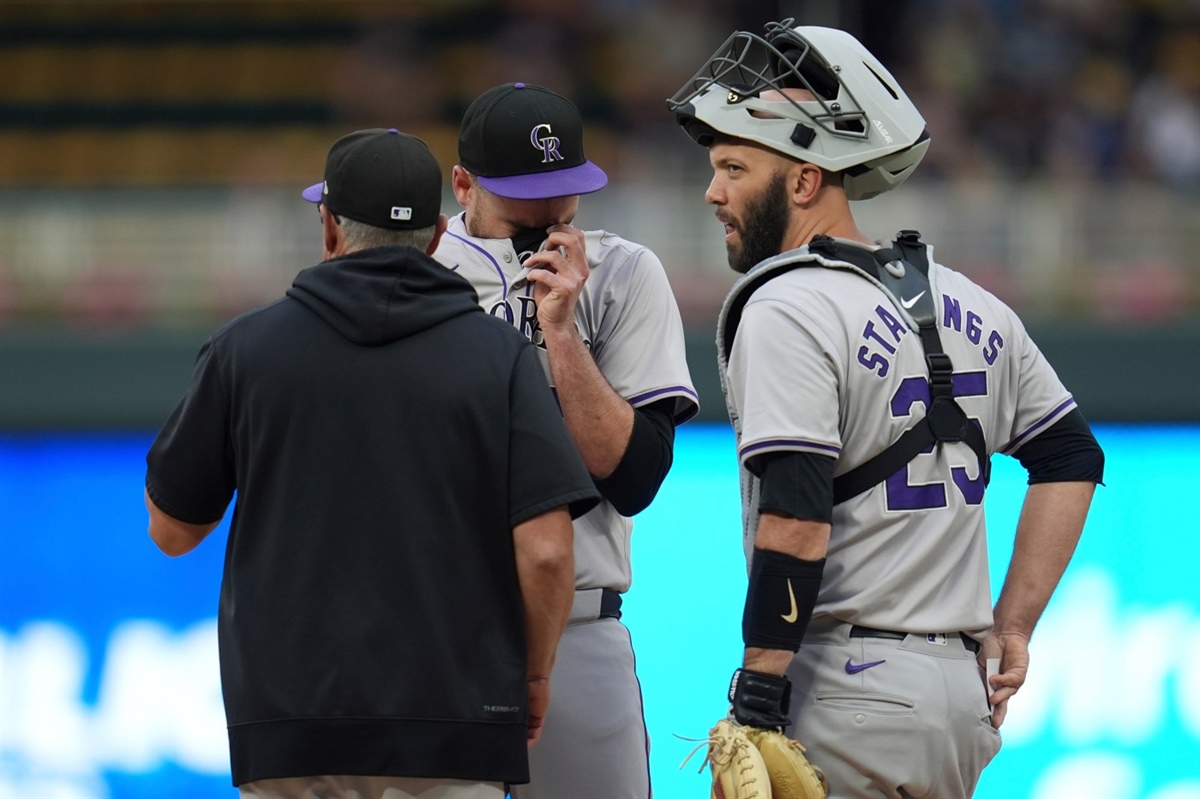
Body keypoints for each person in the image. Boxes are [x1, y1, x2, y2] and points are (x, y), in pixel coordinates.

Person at [668, 21, 1105, 798]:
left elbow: (796, 513)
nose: (714, 191)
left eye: (734, 166)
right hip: (958, 704)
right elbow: (1071, 455)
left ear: (805, 181)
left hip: (846, 687)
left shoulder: (789, 303)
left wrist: (759, 687)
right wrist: (1014, 626)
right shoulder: (974, 302)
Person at [144, 127, 601, 799]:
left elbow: (172, 531)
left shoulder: (244, 351)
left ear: (328, 226)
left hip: (291, 734)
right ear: (440, 234)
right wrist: (531, 676)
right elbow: (546, 554)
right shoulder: (498, 356)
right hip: (455, 728)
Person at [432, 82, 699, 799]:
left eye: (564, 188)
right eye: (524, 191)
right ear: (463, 182)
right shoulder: (415, 275)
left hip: (581, 624)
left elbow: (635, 477)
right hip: (435, 632)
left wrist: (561, 331)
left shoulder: (625, 273)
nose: (549, 212)